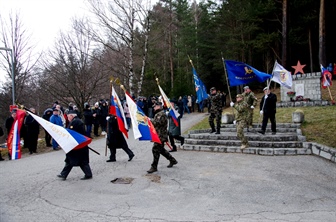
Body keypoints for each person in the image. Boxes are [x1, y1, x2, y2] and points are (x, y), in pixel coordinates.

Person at [57, 110, 93, 180]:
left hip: (77, 145)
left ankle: (88, 174)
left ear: (71, 115)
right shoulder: (78, 121)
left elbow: (71, 133)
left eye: (68, 117)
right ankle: (64, 174)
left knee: (78, 160)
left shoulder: (75, 122)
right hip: (79, 144)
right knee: (71, 160)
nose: (67, 118)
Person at [147, 101, 178, 174]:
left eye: (155, 106)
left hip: (161, 136)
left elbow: (157, 123)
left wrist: (149, 120)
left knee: (155, 149)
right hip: (158, 135)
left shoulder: (161, 114)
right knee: (161, 150)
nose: (154, 107)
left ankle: (154, 166)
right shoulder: (158, 114)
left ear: (159, 106)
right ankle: (172, 160)